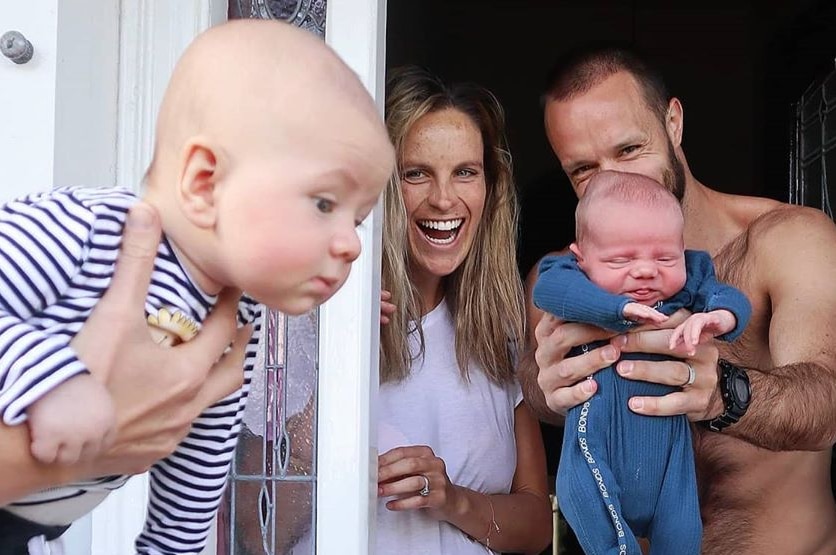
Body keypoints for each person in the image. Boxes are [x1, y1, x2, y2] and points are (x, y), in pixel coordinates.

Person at [0, 18, 394, 555]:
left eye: (359, 218)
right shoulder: (92, 230)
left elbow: (198, 464)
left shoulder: (234, 323)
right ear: (204, 183)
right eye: (325, 204)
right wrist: (53, 377)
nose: (351, 244)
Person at [519, 45, 836, 555]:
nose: (614, 179)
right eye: (583, 170)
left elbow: (829, 403)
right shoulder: (564, 275)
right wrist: (550, 383)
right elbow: (530, 389)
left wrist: (723, 392)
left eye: (628, 150)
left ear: (673, 122)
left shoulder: (787, 239)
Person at [375, 66, 552, 555]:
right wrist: (340, 354)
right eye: (416, 174)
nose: (444, 199)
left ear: (489, 187)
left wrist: (451, 499)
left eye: (465, 173)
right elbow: (258, 525)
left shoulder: (500, 330)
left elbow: (537, 527)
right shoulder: (318, 320)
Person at [533, 170, 751, 555]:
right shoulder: (567, 275)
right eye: (621, 260)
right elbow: (549, 291)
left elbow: (729, 297)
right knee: (589, 502)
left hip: (669, 459)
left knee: (683, 534)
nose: (647, 270)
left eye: (666, 257)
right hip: (597, 437)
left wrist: (718, 317)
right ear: (581, 258)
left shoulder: (688, 282)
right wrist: (618, 309)